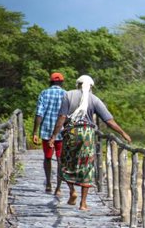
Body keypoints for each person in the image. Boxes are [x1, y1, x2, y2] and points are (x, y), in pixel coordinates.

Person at [49, 75, 131, 211]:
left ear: (77, 84)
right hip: (87, 134)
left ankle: (72, 191)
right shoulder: (94, 99)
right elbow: (109, 121)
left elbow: (62, 118)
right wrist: (123, 133)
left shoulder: (68, 95)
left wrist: (53, 136)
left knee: (66, 163)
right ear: (91, 87)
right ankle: (83, 203)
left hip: (71, 132)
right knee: (86, 166)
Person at [32, 72, 66, 195]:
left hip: (46, 131)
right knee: (60, 159)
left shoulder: (44, 93)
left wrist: (35, 132)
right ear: (61, 82)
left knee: (47, 157)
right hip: (62, 132)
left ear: (50, 82)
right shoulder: (66, 94)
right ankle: (59, 187)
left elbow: (39, 114)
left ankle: (48, 183)